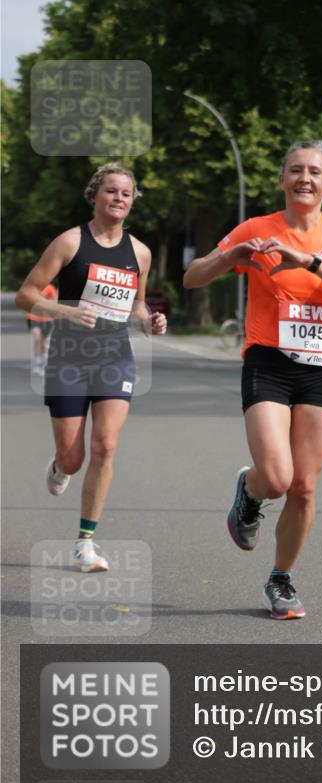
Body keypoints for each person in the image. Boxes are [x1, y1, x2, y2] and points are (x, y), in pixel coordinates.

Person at [184, 140, 322, 619]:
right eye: (295, 170)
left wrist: (306, 260)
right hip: (268, 361)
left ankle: (280, 579)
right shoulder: (257, 228)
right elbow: (192, 277)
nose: (304, 178)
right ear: (282, 179)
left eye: (314, 171)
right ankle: (249, 492)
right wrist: (231, 257)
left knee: (304, 487)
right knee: (276, 476)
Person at [15, 163, 167, 572]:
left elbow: (136, 306)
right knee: (74, 458)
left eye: (126, 194)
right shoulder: (69, 242)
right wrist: (64, 311)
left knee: (105, 446)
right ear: (95, 195)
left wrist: (149, 320)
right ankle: (60, 465)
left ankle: (85, 542)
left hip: (114, 355)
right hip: (68, 357)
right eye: (111, 191)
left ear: (132, 202)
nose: (119, 199)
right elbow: (26, 296)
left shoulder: (140, 253)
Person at [25, 283, 57, 375]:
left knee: (43, 342)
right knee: (37, 338)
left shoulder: (50, 288)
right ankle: (37, 363)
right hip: (33, 317)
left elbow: (54, 301)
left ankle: (43, 363)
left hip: (47, 318)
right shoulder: (32, 287)